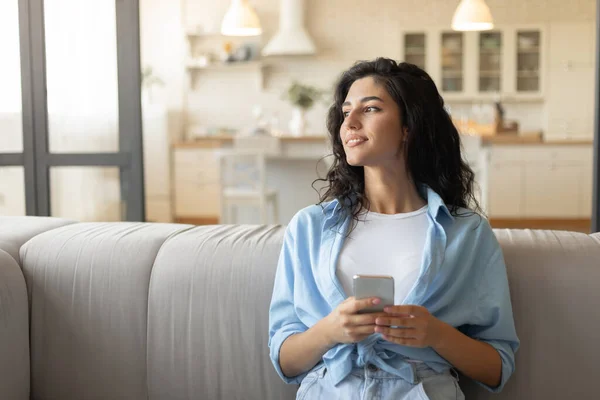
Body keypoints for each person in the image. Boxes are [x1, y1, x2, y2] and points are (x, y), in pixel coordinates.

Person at [268, 58, 519, 399]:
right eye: (345, 113)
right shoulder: (308, 228)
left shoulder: (467, 234)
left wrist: (435, 334)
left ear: (408, 127)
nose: (350, 123)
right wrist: (329, 331)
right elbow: (284, 361)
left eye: (370, 109)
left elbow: (497, 367)